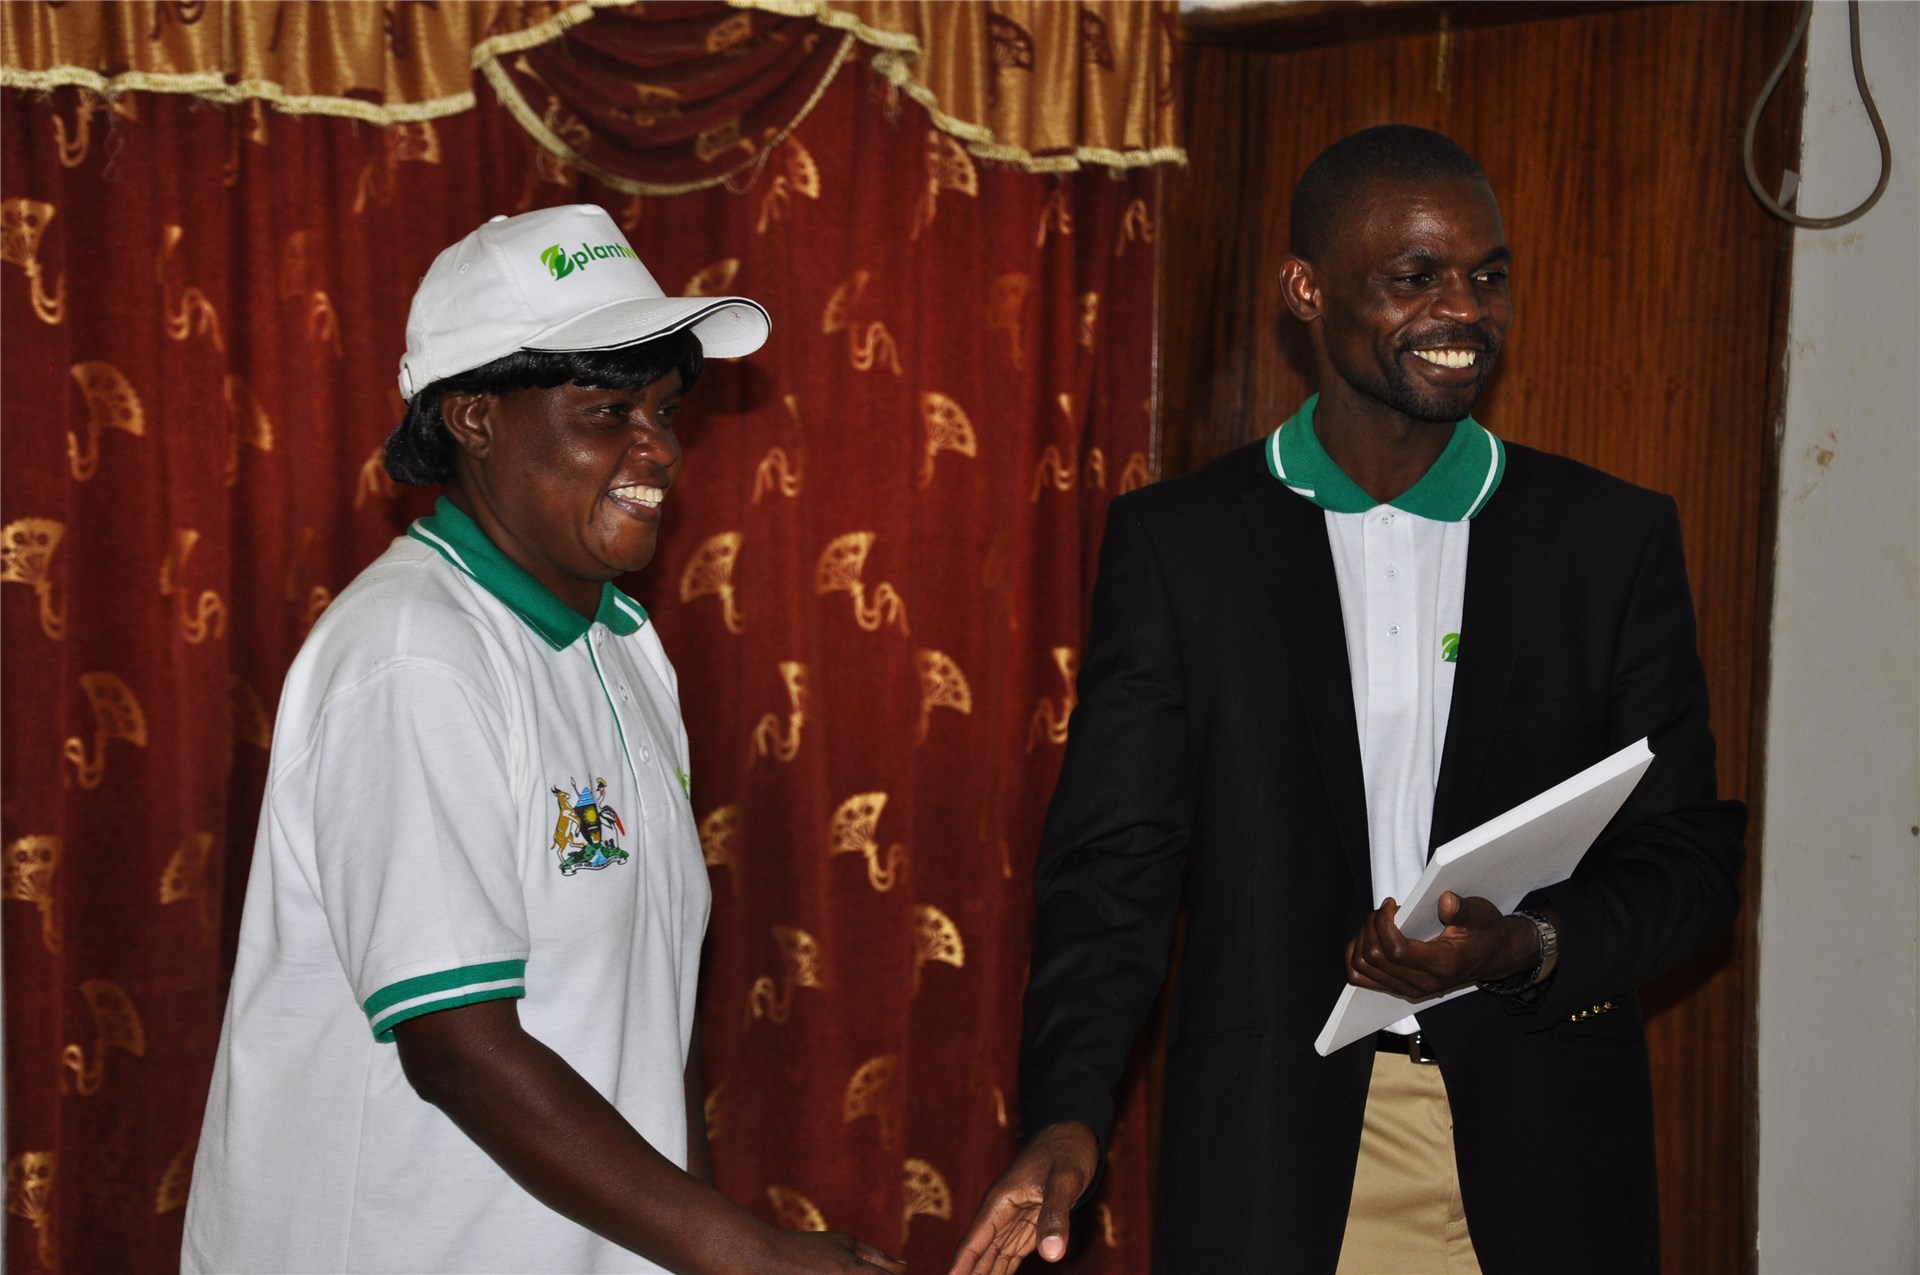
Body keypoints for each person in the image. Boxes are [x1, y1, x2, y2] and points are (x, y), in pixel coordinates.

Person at [949, 127, 1744, 1274]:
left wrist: (1521, 945)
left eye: (1489, 274)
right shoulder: (1184, 548)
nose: (1462, 309)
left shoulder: (1607, 541)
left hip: (1541, 1152)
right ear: (1307, 291)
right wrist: (1067, 1114)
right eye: (1415, 278)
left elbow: (1690, 862)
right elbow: (1113, 870)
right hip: (1280, 1154)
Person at [184, 204, 904, 1274]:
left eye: (664, 410)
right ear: (474, 419)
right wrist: (749, 1256)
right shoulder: (414, 655)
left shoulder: (623, 647)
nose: (656, 449)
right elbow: (460, 1052)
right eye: (609, 410)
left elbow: (642, 1018)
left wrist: (704, 1252)